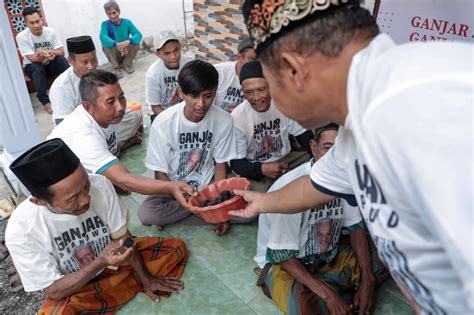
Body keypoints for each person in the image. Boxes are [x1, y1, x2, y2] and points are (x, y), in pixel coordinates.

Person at [231, 1, 474, 313]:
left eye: (270, 82)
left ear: (293, 69)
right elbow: (314, 186)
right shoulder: (358, 122)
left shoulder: (432, 110)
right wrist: (261, 202)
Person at [5, 139, 188, 313]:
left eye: (86, 186)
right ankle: (117, 289)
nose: (86, 199)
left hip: (114, 262)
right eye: (73, 198)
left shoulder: (100, 184)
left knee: (174, 249)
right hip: (74, 284)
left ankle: (114, 291)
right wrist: (99, 262)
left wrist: (147, 280)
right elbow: (54, 291)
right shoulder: (22, 230)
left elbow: (124, 239)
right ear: (39, 202)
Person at [255, 124, 388, 315]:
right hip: (286, 263)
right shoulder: (288, 188)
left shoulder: (344, 178)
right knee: (307, 308)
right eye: (327, 148)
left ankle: (343, 289)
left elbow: (355, 228)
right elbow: (283, 256)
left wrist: (368, 281)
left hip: (327, 255)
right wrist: (329, 296)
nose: (335, 157)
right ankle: (335, 291)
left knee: (392, 251)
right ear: (313, 147)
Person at [48, 69, 194, 207]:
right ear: (88, 106)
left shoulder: (102, 115)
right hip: (58, 192)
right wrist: (171, 187)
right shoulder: (85, 137)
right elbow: (124, 179)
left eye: (122, 97)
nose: (120, 107)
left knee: (135, 117)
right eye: (110, 102)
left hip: (85, 168)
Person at [138, 60, 245, 236]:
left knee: (247, 212)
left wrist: (217, 200)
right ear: (181, 92)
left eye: (208, 96)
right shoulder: (163, 123)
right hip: (173, 187)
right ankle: (207, 214)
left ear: (215, 92)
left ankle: (180, 216)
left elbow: (220, 166)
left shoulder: (224, 120)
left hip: (207, 186)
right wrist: (185, 199)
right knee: (147, 214)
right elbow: (160, 174)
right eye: (194, 96)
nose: (201, 104)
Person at [230, 60, 313, 192]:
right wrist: (261, 169)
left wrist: (318, 157)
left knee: (314, 162)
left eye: (261, 89)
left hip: (286, 159)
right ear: (243, 92)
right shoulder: (238, 118)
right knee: (263, 194)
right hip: (255, 166)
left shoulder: (283, 102)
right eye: (249, 92)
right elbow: (236, 164)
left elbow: (303, 135)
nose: (256, 97)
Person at [49, 35, 143, 149]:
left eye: (94, 60)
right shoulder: (61, 88)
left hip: (103, 123)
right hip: (81, 133)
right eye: (85, 62)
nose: (91, 66)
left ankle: (110, 146)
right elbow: (64, 126)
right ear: (70, 61)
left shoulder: (97, 76)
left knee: (134, 118)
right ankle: (117, 147)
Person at [16, 6, 69, 114]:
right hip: (33, 68)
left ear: (42, 19)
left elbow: (61, 51)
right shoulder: (21, 36)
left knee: (61, 60)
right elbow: (32, 58)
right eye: (32, 23)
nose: (36, 25)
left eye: (37, 21)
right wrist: (43, 55)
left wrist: (50, 53)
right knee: (37, 66)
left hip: (50, 64)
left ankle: (73, 87)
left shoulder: (50, 32)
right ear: (26, 24)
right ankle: (45, 101)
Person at [145, 30, 193, 121]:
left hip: (188, 111)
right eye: (167, 53)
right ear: (158, 54)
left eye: (176, 50)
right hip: (164, 114)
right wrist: (173, 121)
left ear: (180, 47)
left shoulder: (190, 64)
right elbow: (155, 106)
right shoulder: (153, 74)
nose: (173, 56)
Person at [100, 1, 142, 77]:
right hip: (115, 53)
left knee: (136, 43)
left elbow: (138, 35)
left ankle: (127, 64)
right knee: (105, 45)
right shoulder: (105, 24)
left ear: (118, 12)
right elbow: (102, 36)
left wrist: (128, 42)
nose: (112, 16)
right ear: (106, 14)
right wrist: (117, 44)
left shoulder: (127, 22)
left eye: (114, 13)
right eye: (109, 14)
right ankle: (116, 67)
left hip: (126, 52)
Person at [214, 37, 256, 112]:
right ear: (239, 57)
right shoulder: (219, 72)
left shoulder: (263, 78)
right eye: (252, 59)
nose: (258, 64)